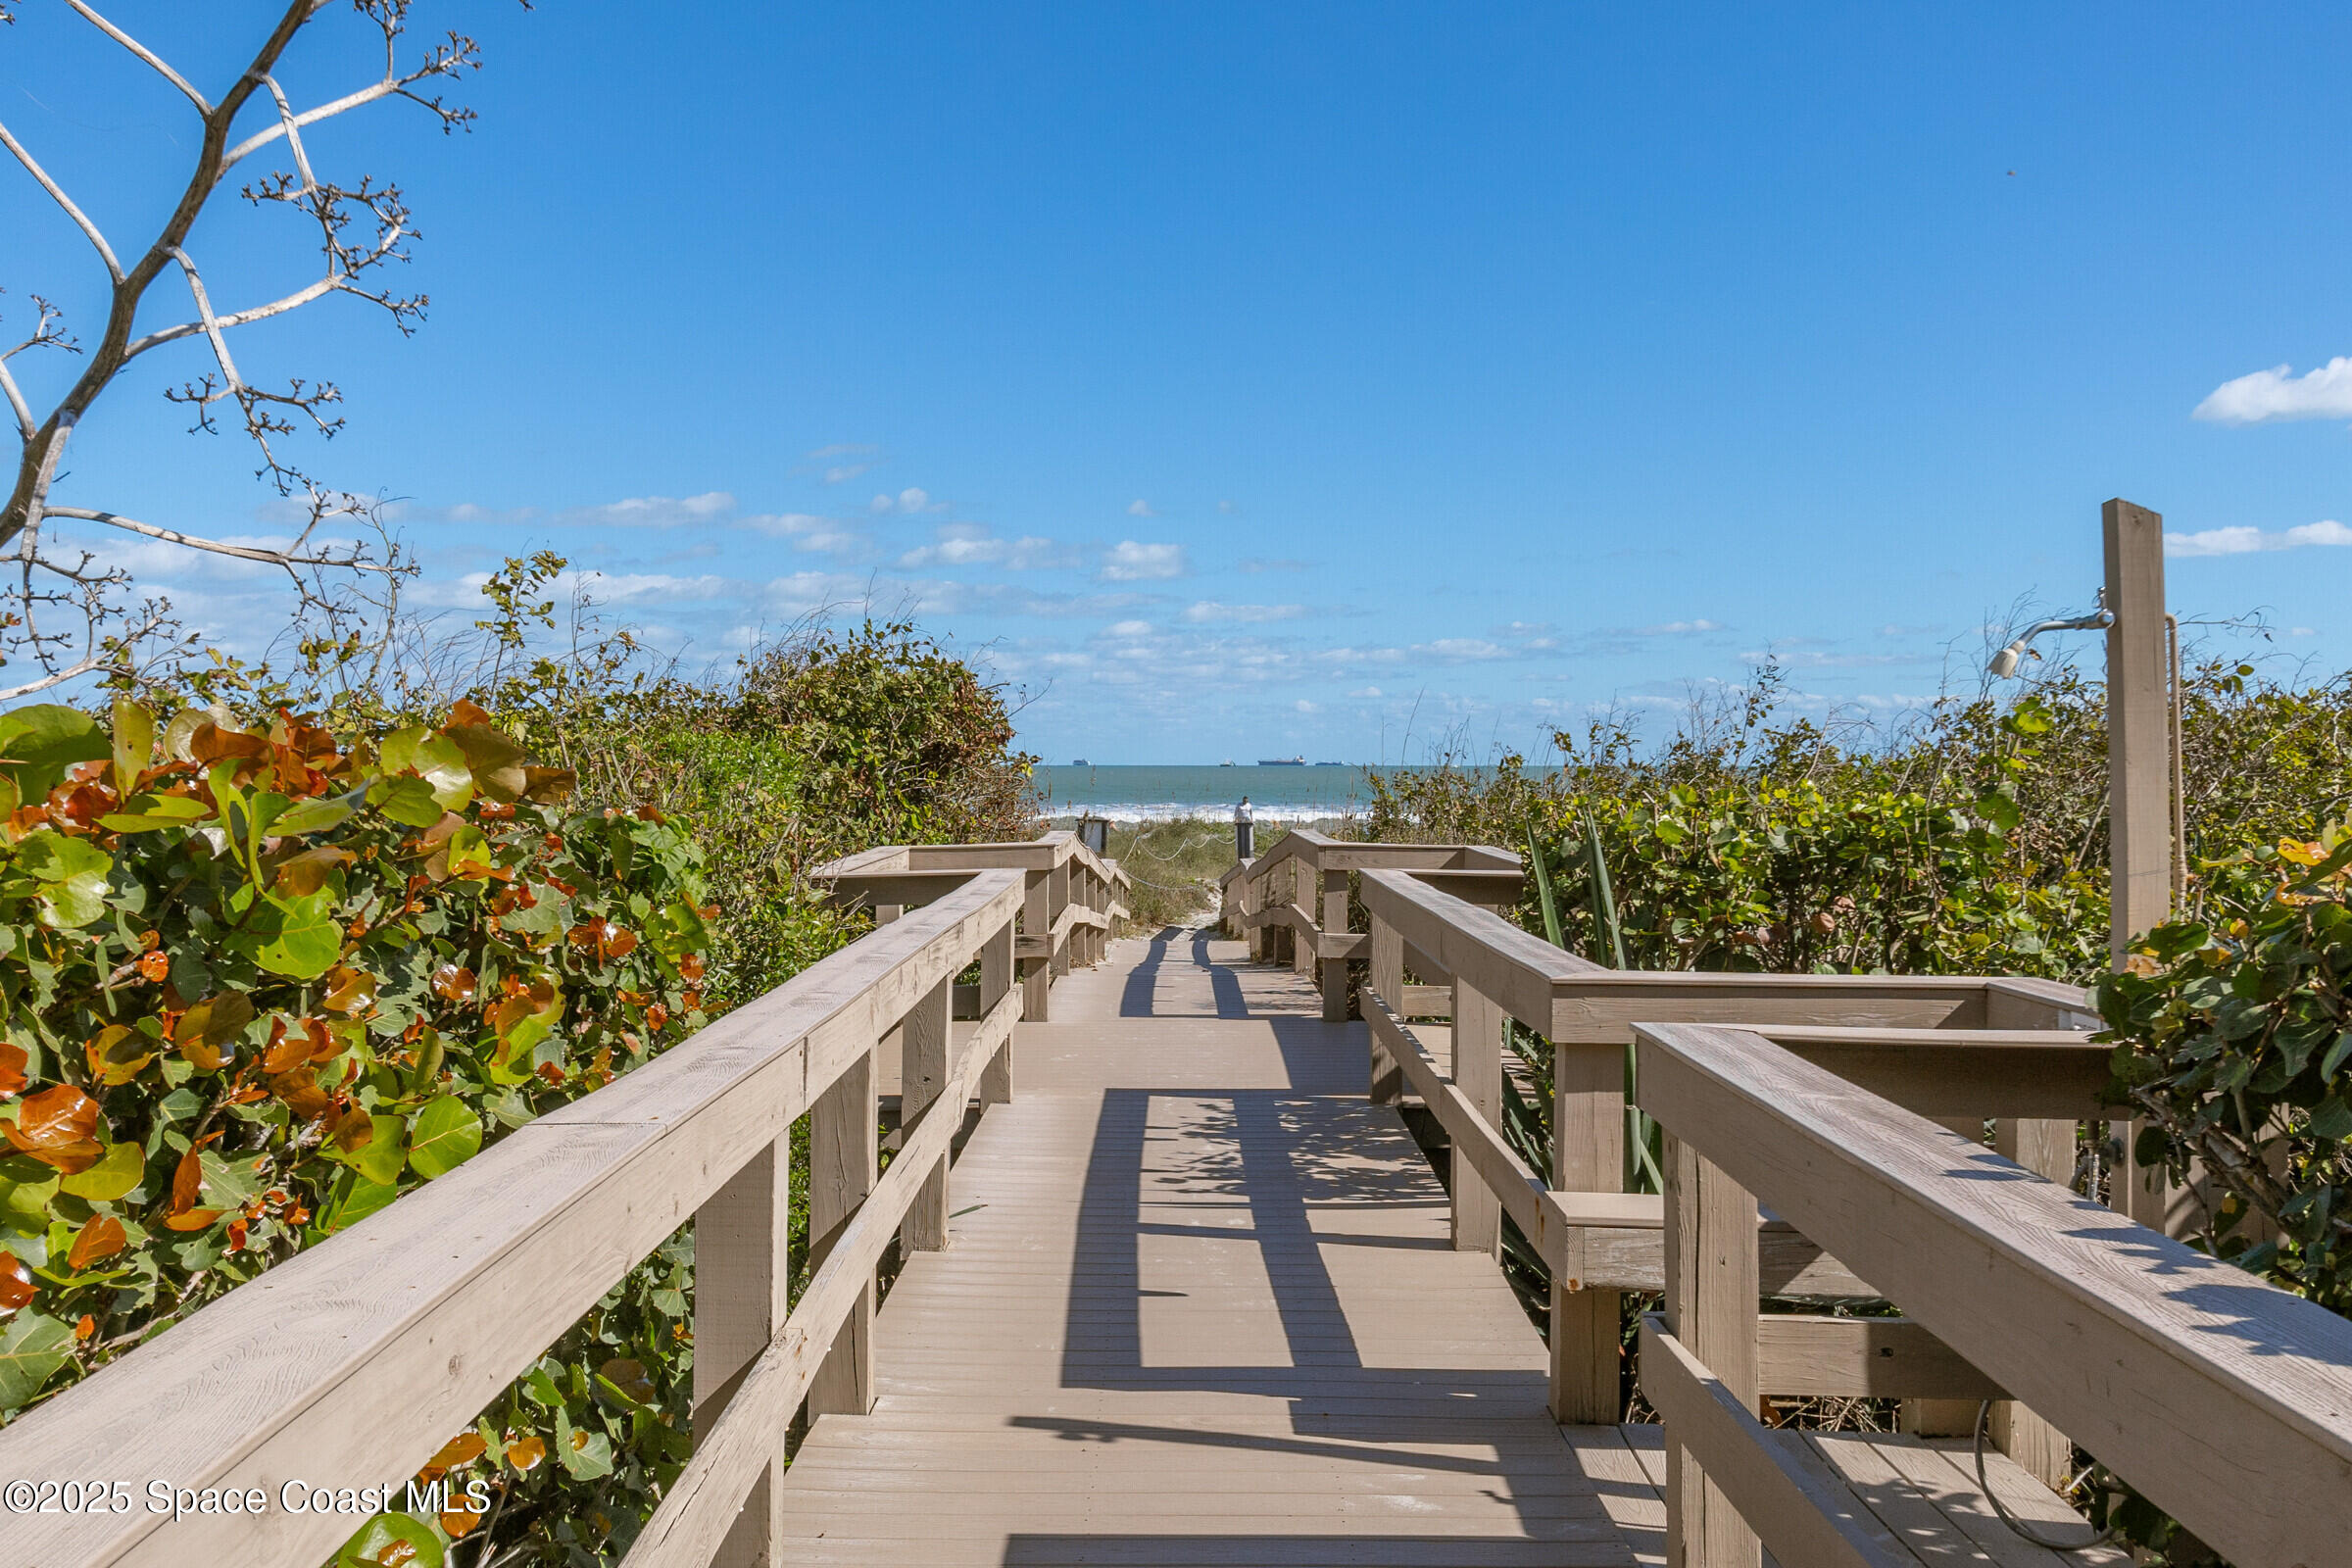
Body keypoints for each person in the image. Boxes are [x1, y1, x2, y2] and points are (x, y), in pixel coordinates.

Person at [1234, 796, 1254, 860]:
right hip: (1240, 819)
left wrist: (1252, 819)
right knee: (1240, 835)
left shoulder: (1249, 805)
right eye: (1244, 800)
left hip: (1247, 819)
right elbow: (1236, 812)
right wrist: (1235, 819)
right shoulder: (1239, 805)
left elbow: (1251, 813)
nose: (1245, 801)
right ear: (1242, 800)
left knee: (1247, 836)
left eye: (1246, 800)